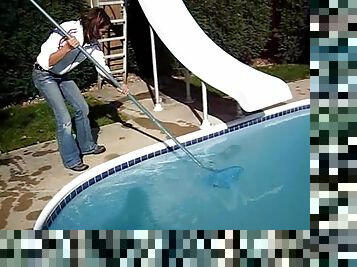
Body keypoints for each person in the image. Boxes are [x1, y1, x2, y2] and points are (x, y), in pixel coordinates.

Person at [32, 8, 129, 171]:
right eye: (102, 30)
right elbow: (47, 61)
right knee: (64, 118)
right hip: (44, 74)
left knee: (82, 108)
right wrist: (67, 48)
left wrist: (118, 84)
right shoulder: (67, 29)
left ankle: (87, 146)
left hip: (61, 76)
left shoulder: (93, 44)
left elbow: (102, 68)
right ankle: (71, 159)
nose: (103, 34)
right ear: (93, 25)